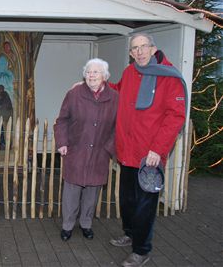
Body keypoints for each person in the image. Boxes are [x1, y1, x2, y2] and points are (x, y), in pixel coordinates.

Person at [108, 33, 186, 267]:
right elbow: (117, 92)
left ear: (153, 49)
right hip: (127, 151)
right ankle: (130, 233)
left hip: (149, 155)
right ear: (131, 53)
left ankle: (141, 250)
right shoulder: (129, 72)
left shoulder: (169, 77)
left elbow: (176, 117)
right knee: (128, 200)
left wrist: (158, 149)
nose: (140, 51)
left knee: (145, 204)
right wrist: (95, 83)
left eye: (144, 47)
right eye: (135, 48)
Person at [54, 58, 118, 242]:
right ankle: (67, 226)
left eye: (95, 72)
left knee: (92, 193)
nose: (91, 75)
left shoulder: (115, 98)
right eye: (88, 72)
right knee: (71, 193)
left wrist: (108, 149)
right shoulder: (74, 94)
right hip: (76, 150)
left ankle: (86, 224)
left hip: (99, 153)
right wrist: (62, 142)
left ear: (104, 76)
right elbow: (62, 120)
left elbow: (118, 127)